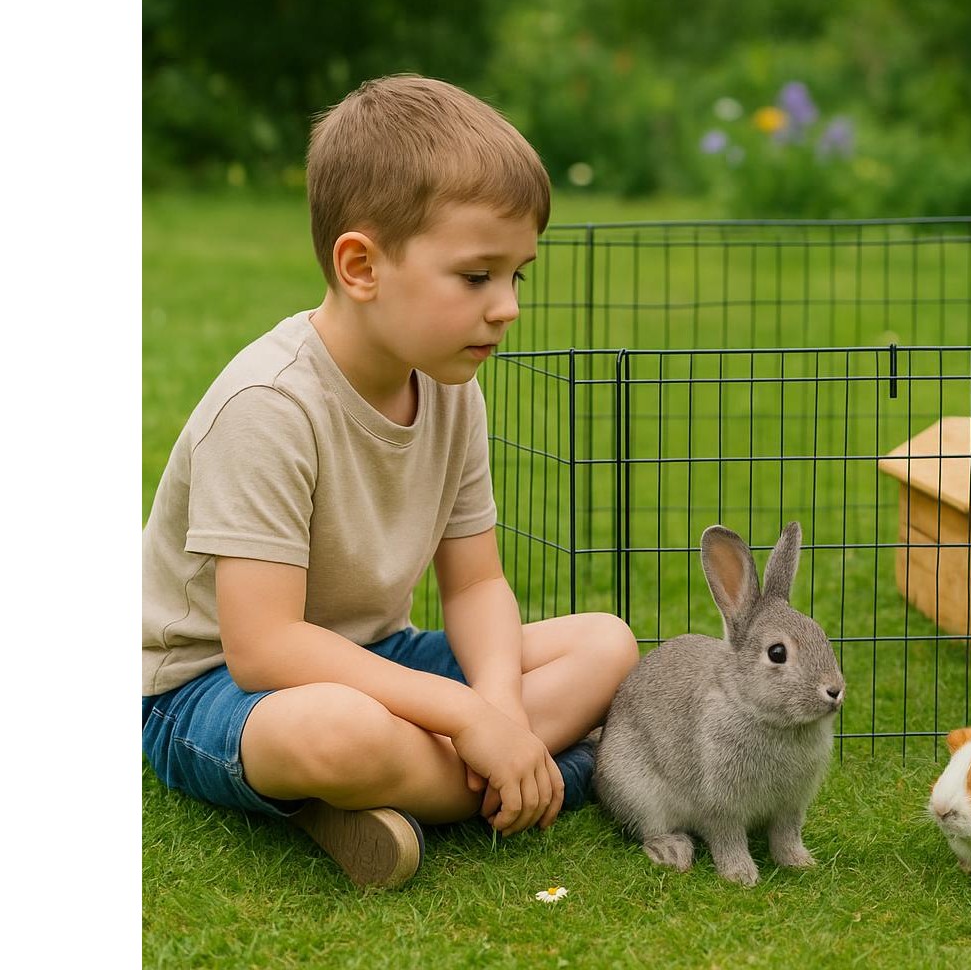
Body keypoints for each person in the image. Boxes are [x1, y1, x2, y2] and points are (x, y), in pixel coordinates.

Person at [142, 75, 639, 888]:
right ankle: (564, 775)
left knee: (606, 642)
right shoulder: (269, 405)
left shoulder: (451, 387)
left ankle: (437, 785)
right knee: (340, 732)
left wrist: (502, 713)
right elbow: (263, 649)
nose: (507, 306)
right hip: (209, 691)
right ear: (362, 265)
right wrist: (464, 715)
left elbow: (477, 586)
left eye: (520, 276)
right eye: (477, 276)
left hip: (374, 652)